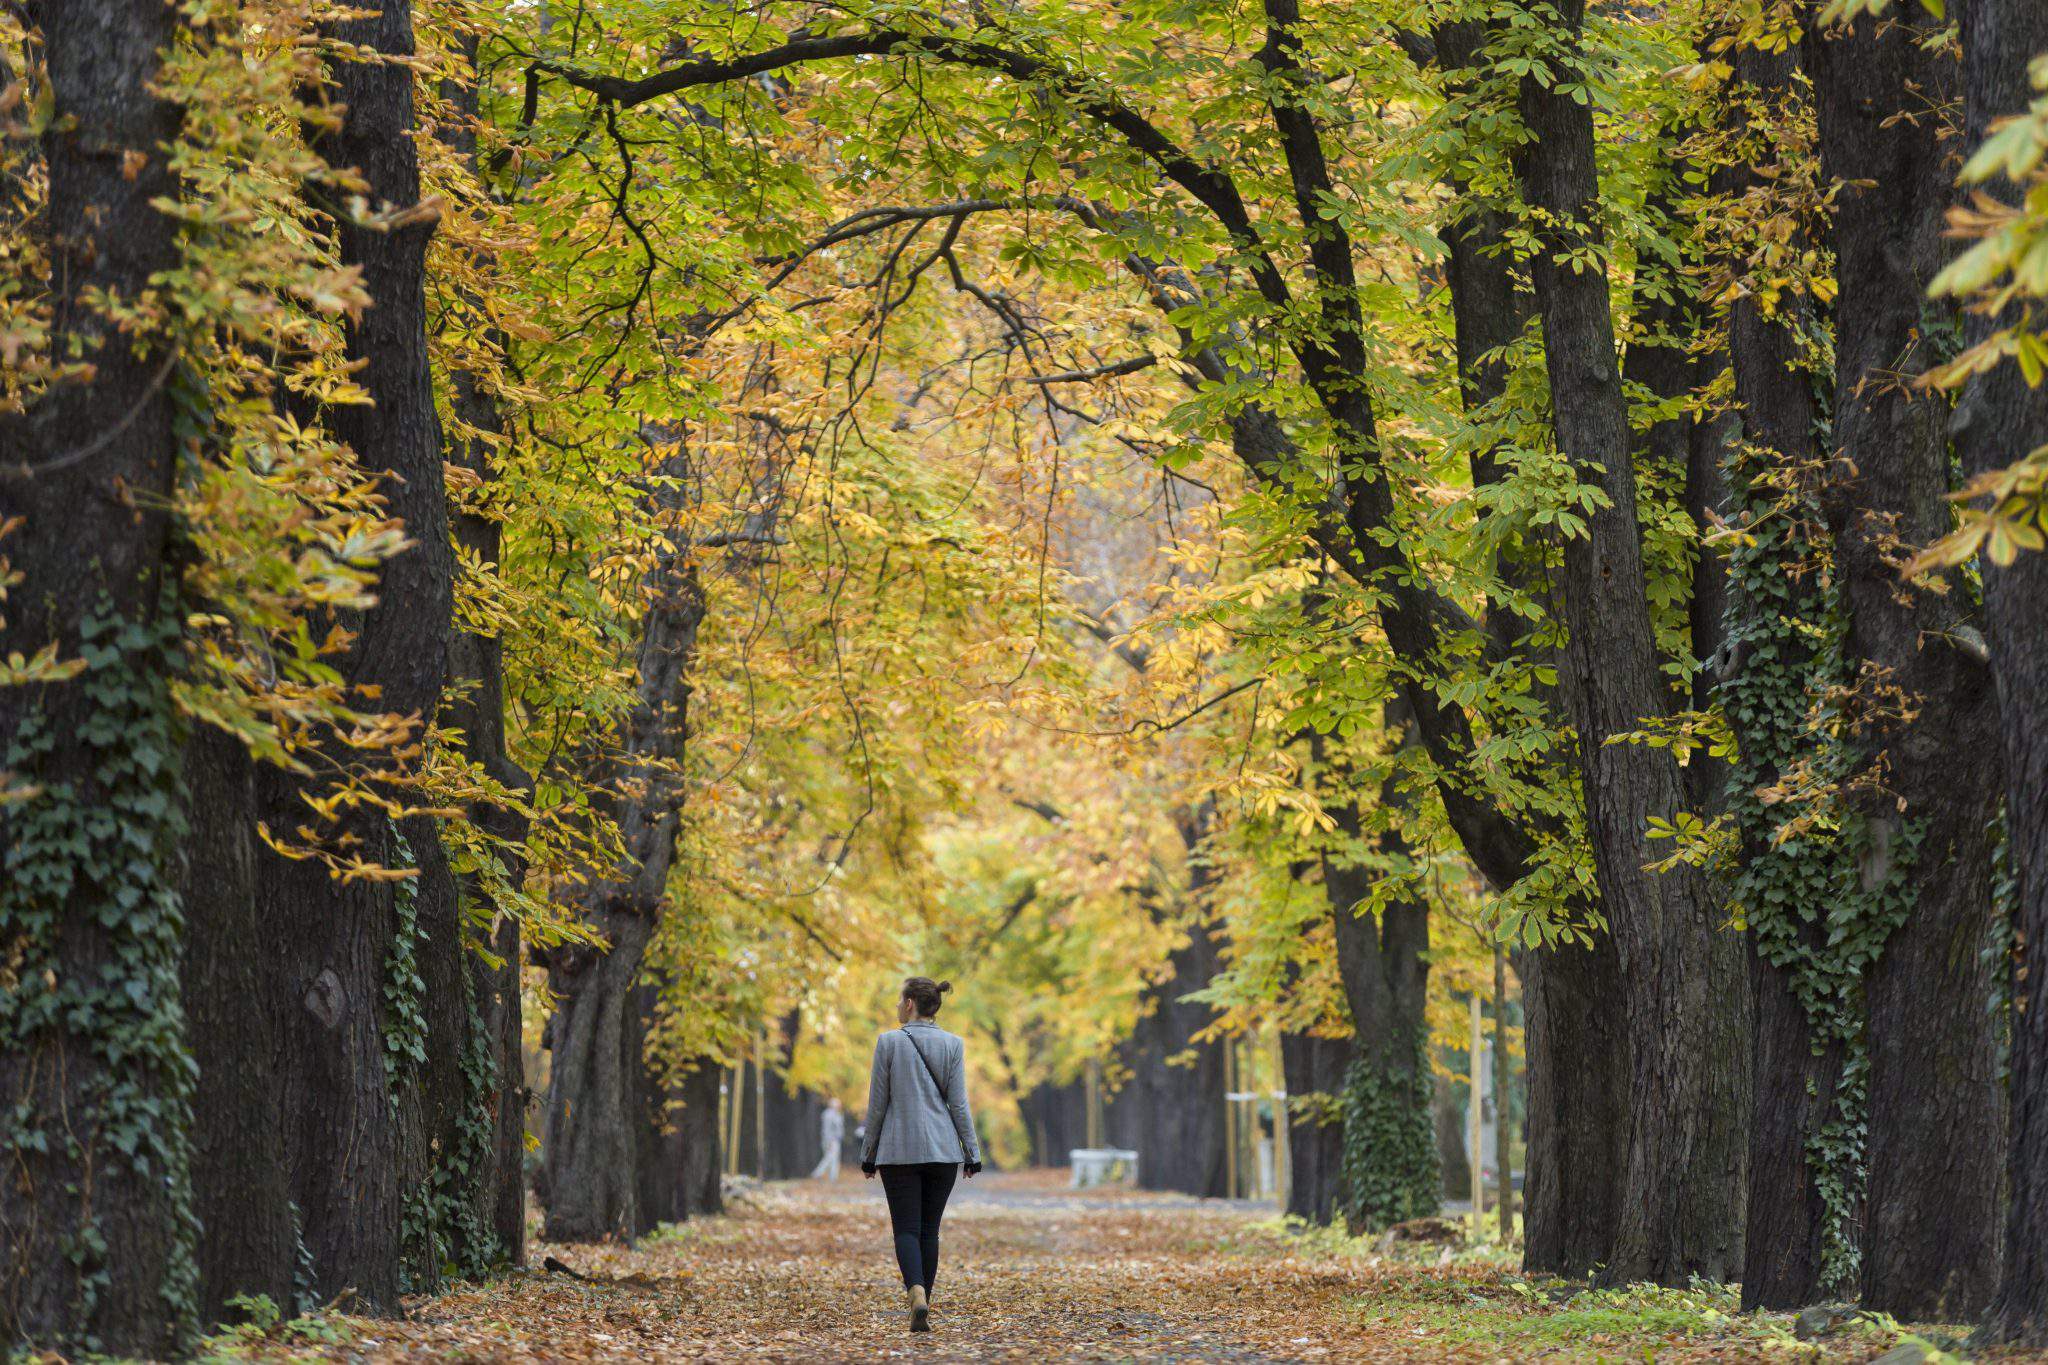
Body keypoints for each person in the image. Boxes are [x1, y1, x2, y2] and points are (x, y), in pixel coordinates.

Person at [861, 976, 981, 1333]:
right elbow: (958, 1103)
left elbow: (877, 1105)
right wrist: (971, 1152)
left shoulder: (888, 1043)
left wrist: (868, 1153)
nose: (898, 1006)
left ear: (910, 1003)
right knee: (930, 1231)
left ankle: (916, 1295)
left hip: (898, 1152)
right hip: (943, 1151)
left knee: (906, 1230)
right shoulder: (953, 1045)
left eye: (900, 1000)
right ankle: (924, 1298)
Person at [810, 1097, 844, 1180]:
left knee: (833, 1159)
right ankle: (817, 1173)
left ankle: (833, 1178)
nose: (839, 1106)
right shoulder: (830, 1115)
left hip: (832, 1140)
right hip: (832, 1140)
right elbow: (828, 1129)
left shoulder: (833, 1114)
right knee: (830, 1158)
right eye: (837, 1104)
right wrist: (830, 1141)